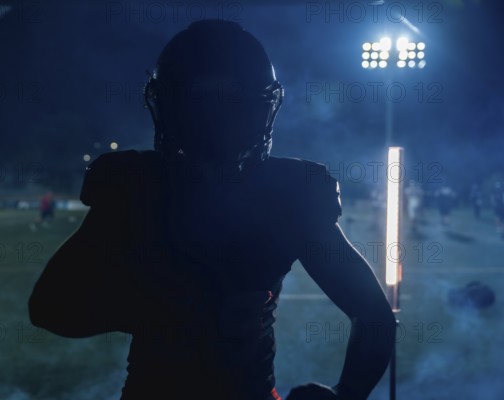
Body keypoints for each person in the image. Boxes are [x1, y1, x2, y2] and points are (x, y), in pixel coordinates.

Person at [28, 20, 396, 400]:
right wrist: (345, 393)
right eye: (204, 105)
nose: (215, 120)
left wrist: (152, 309)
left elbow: (52, 307)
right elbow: (50, 307)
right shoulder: (282, 193)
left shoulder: (136, 185)